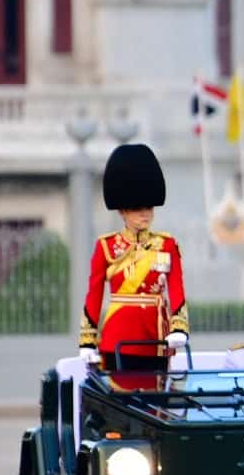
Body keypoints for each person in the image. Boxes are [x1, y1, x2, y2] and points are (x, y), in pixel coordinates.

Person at [79, 144, 189, 377]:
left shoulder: (167, 244)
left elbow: (177, 289)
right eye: (138, 208)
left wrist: (179, 328)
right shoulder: (106, 247)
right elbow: (94, 294)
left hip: (157, 337)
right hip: (118, 336)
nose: (145, 214)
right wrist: (87, 340)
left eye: (148, 207)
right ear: (123, 211)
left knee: (157, 404)